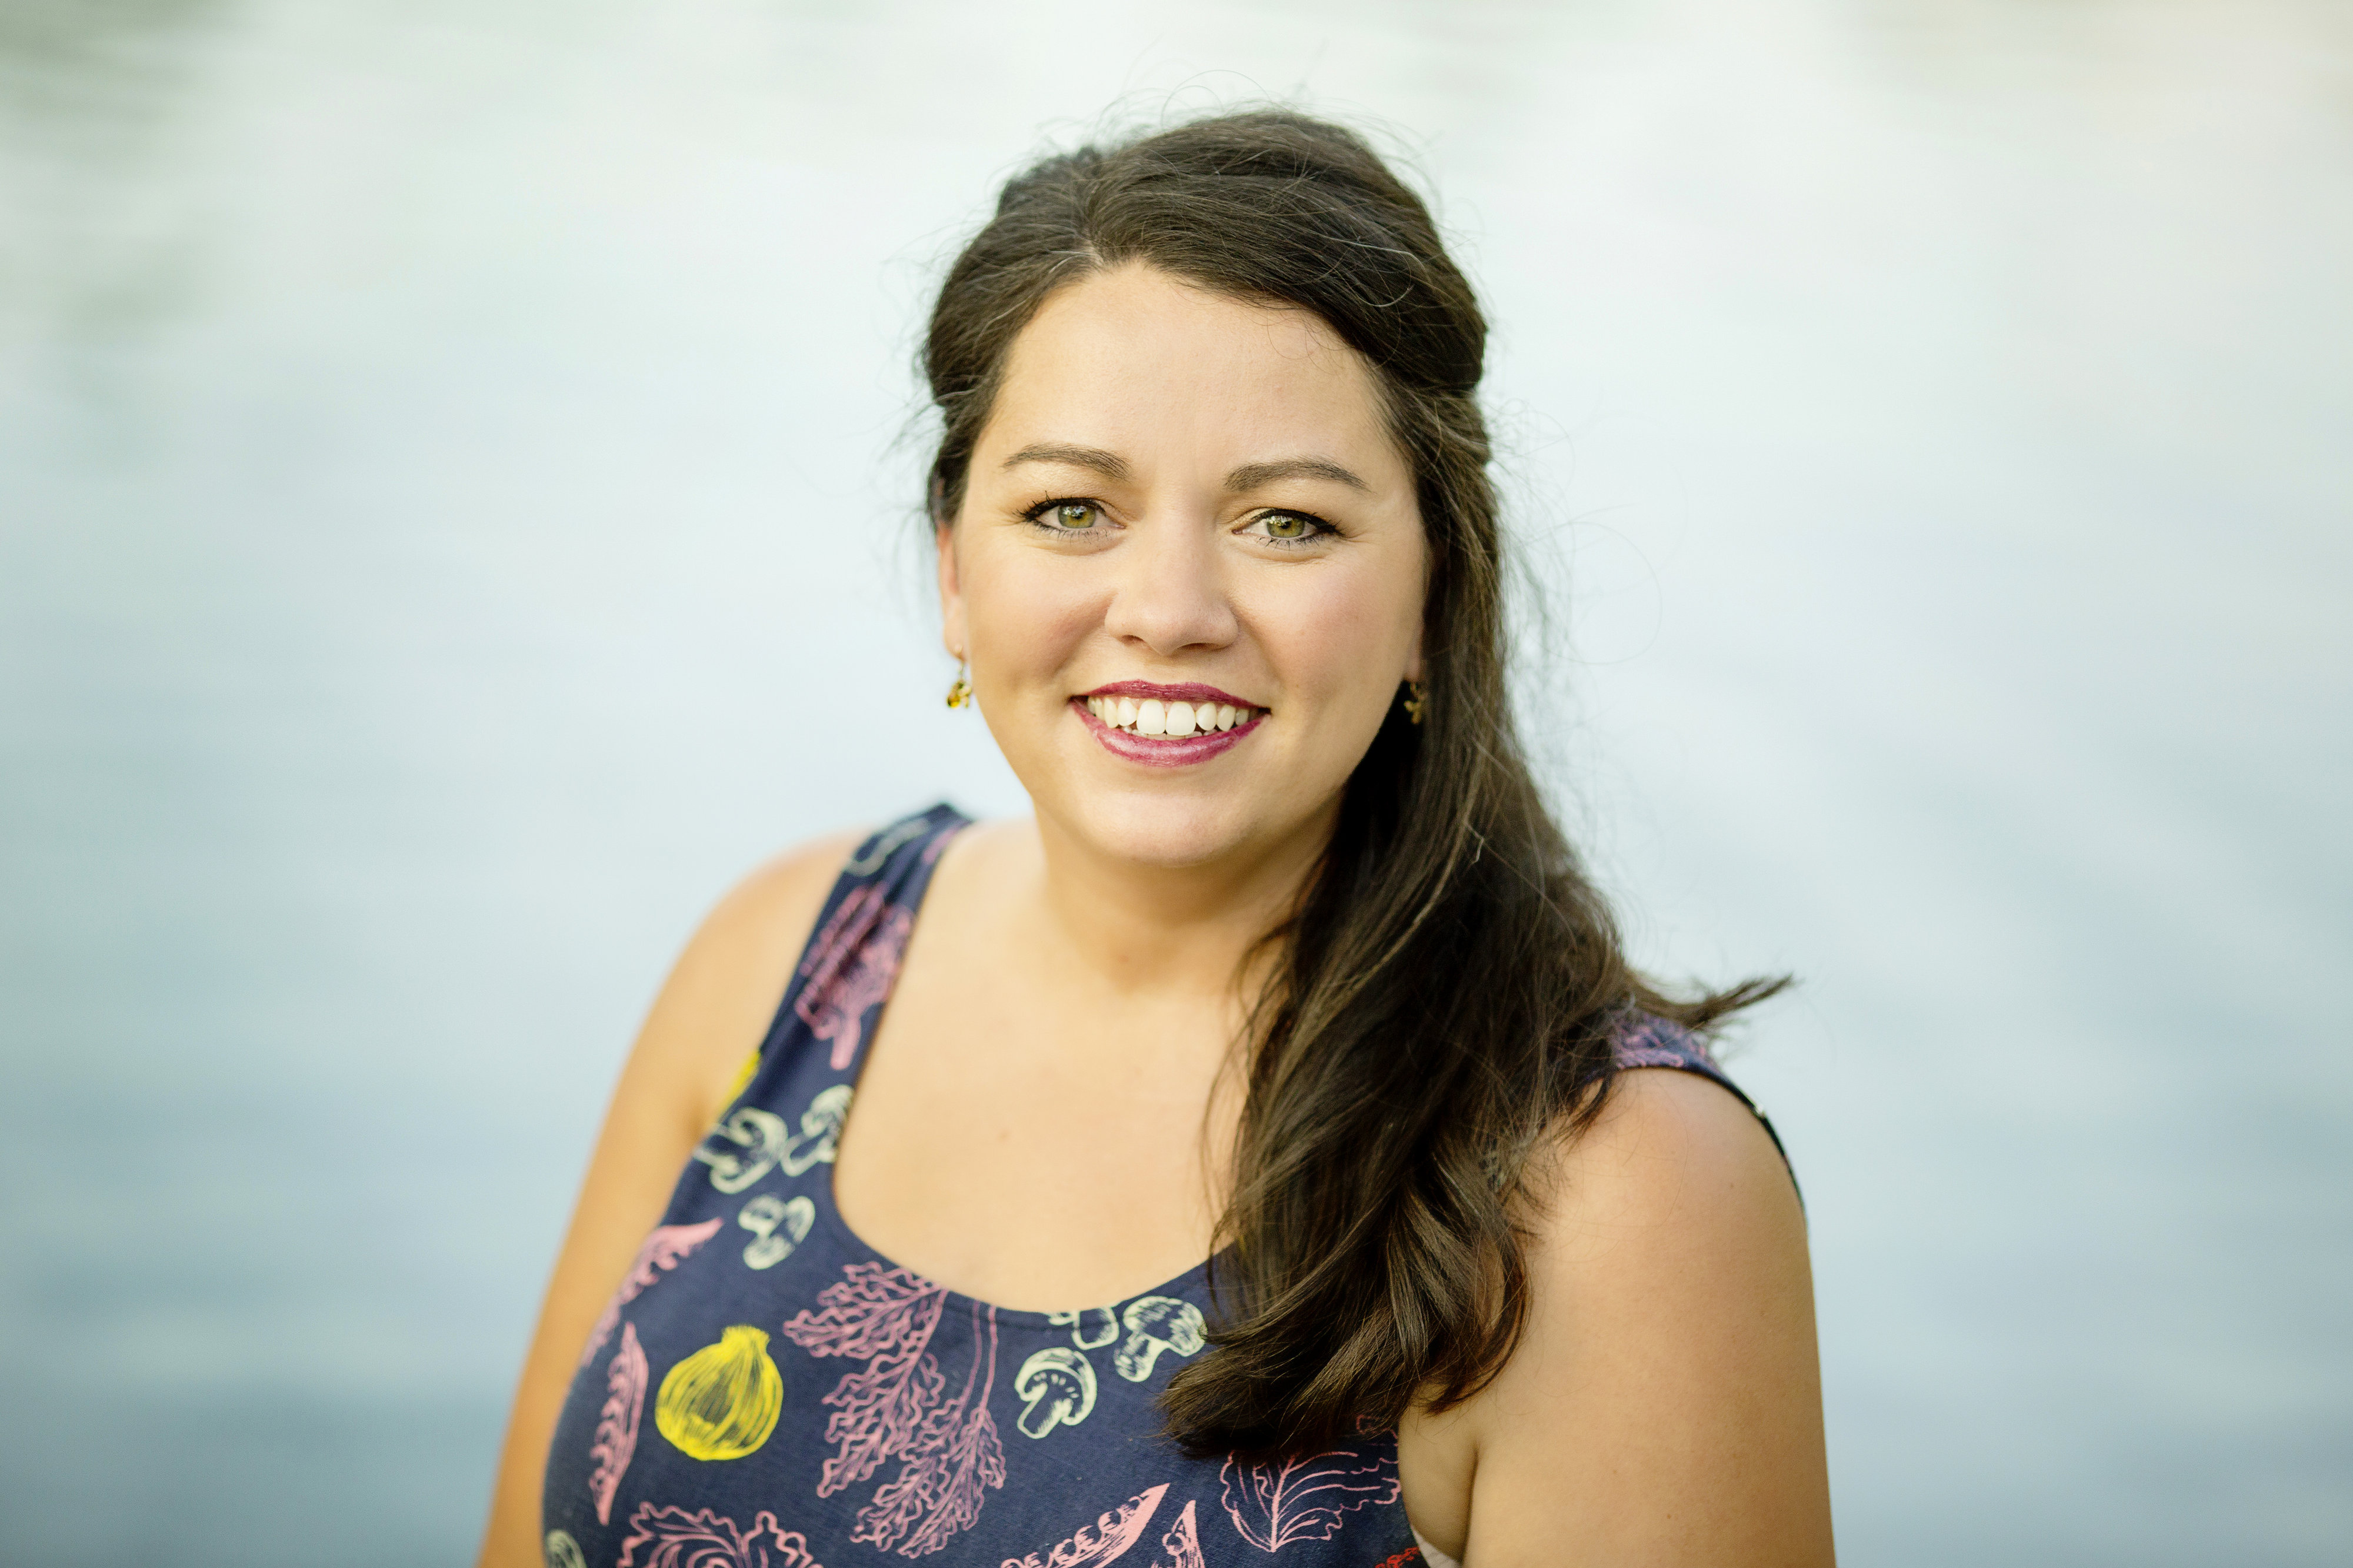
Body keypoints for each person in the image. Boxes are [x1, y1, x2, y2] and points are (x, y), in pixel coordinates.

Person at [479, 109, 1831, 1568]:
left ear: (1437, 594)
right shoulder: (787, 965)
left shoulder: (1614, 1193)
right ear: (952, 564)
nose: (1168, 605)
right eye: (1070, 508)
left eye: (1288, 523)